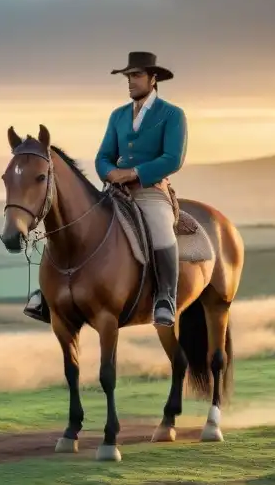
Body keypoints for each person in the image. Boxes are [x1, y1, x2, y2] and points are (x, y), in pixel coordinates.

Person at [22, 51, 188, 327]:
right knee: (74, 224)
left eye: (136, 76)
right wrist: (110, 173)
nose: (130, 82)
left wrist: (133, 173)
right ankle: (49, 296)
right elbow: (103, 156)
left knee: (160, 229)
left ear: (153, 78)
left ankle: (165, 298)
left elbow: (173, 158)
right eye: (128, 77)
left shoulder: (172, 114)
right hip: (115, 190)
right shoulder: (119, 115)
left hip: (149, 190)